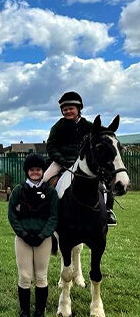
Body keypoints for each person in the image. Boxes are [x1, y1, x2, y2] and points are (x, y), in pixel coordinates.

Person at [43, 91, 116, 225]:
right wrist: (63, 161)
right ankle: (43, 211)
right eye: (65, 109)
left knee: (104, 183)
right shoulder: (58, 127)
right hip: (62, 162)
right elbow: (51, 147)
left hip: (84, 162)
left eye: (71, 108)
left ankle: (108, 211)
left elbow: (100, 136)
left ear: (79, 109)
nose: (67, 111)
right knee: (43, 181)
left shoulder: (88, 126)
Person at [8, 153, 58, 317]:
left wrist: (43, 234)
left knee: (41, 276)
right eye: (32, 170)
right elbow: (12, 215)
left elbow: (53, 216)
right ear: (27, 172)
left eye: (38, 170)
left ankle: (39, 313)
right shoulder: (18, 190)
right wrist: (23, 234)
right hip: (23, 239)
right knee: (24, 276)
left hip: (42, 240)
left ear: (42, 171)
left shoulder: (50, 192)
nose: (35, 172)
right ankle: (24, 312)